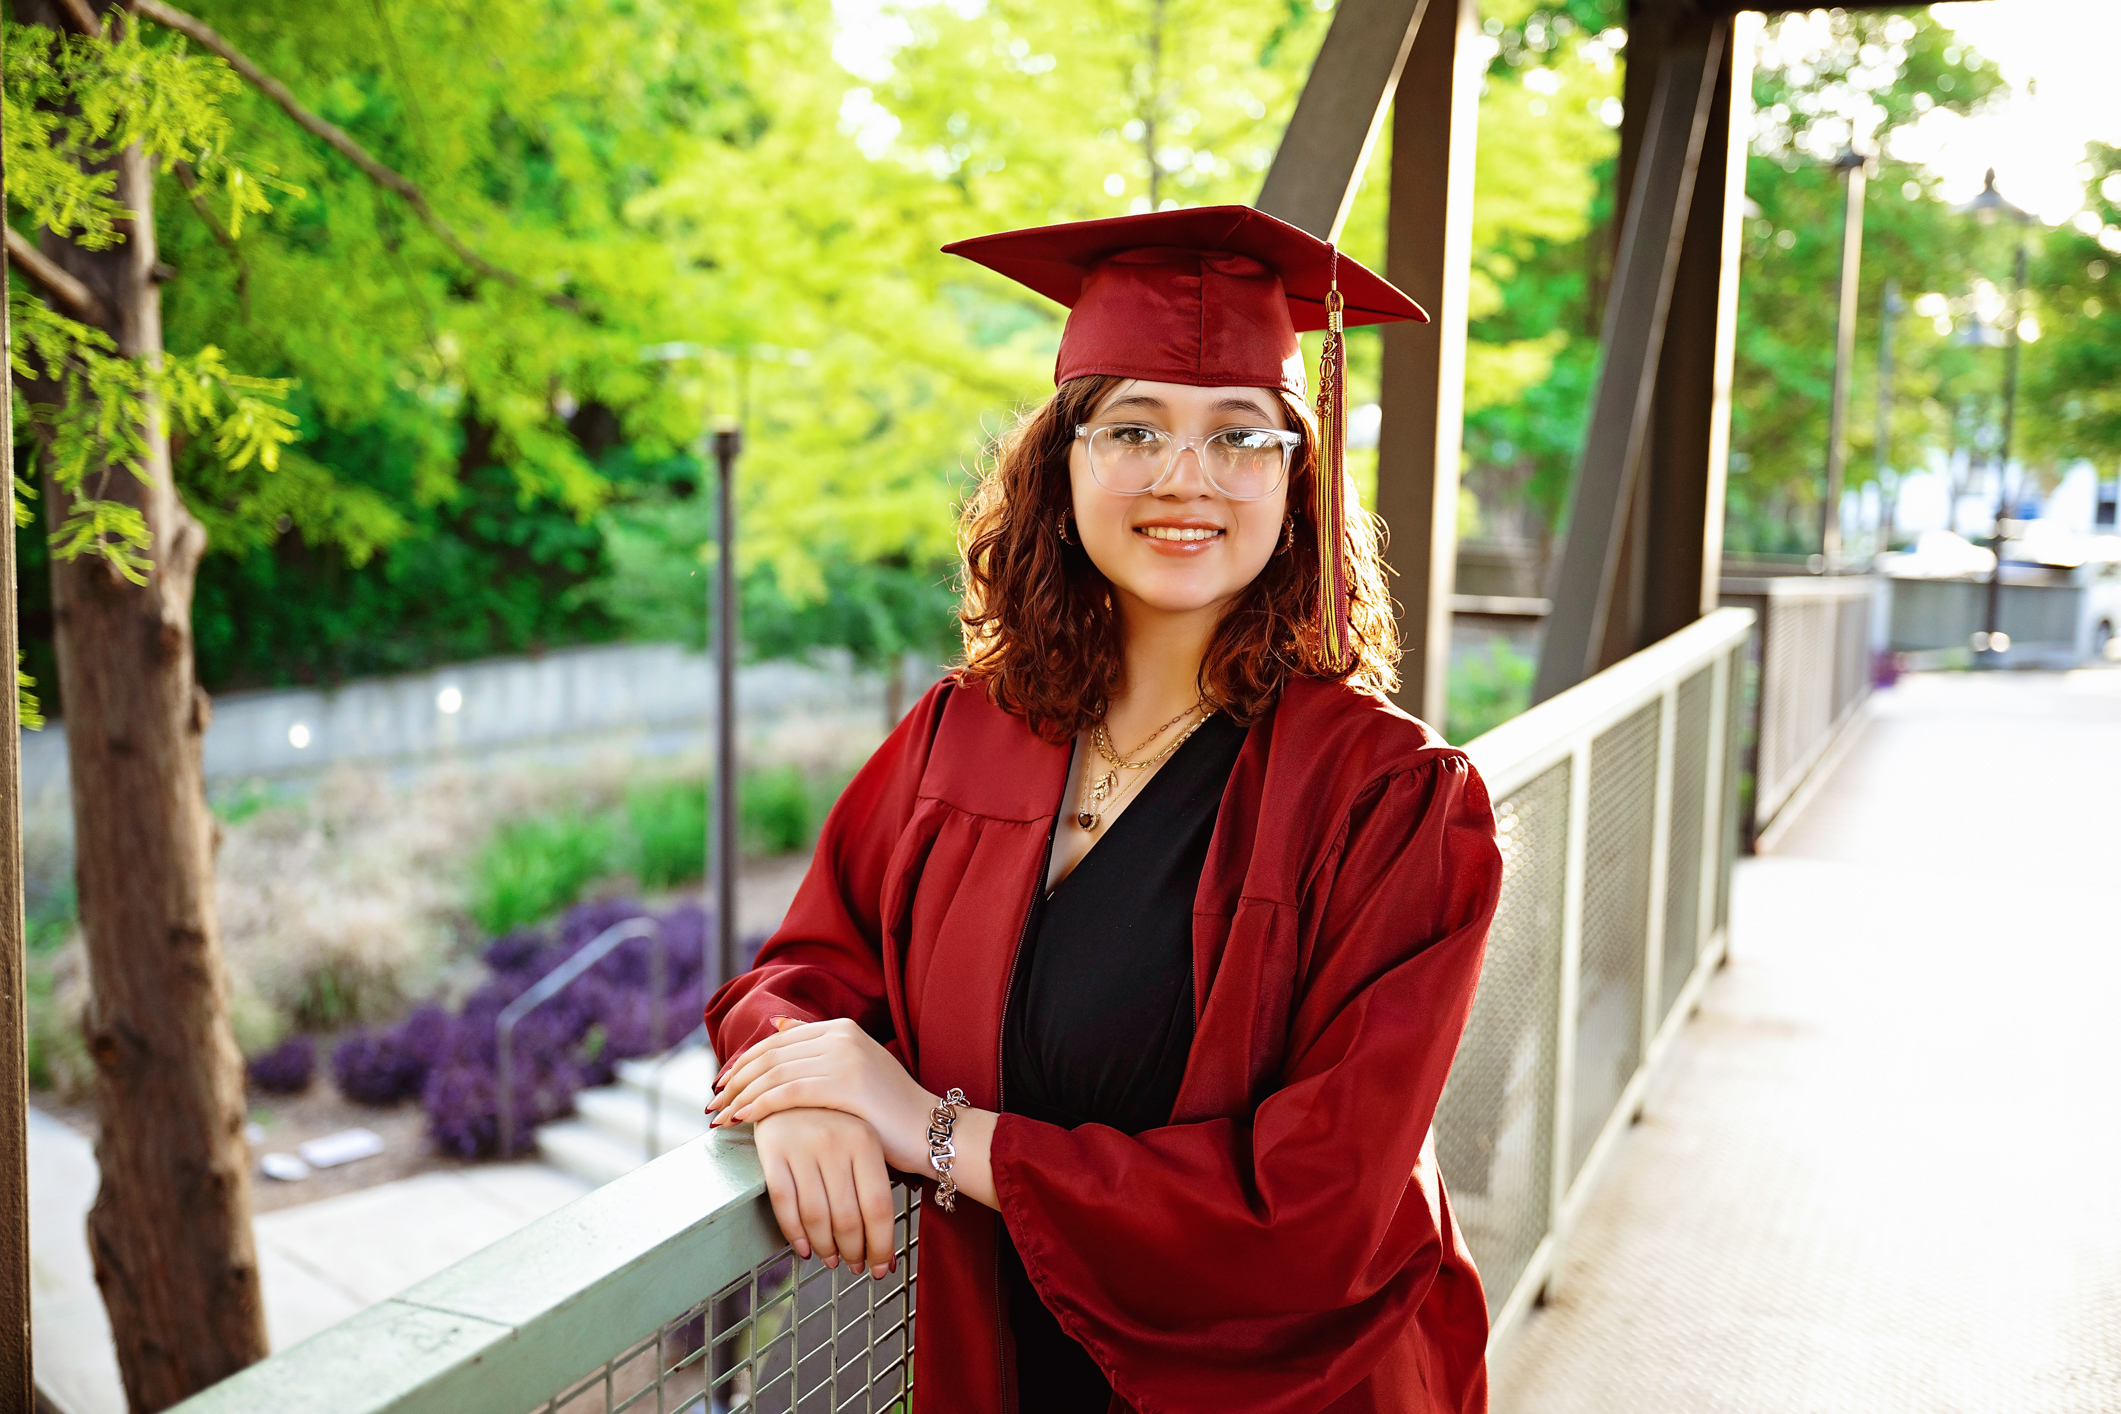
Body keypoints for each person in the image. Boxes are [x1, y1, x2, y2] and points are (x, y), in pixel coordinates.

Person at [705, 205, 1502, 1414]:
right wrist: (797, 1085)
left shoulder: (1390, 802)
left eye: (1242, 437)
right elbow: (804, 968)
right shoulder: (961, 735)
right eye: (1133, 427)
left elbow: (1313, 1213)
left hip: (1295, 1389)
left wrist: (927, 1130)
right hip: (1006, 1362)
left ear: (1298, 474)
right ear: (1060, 461)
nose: (1187, 477)